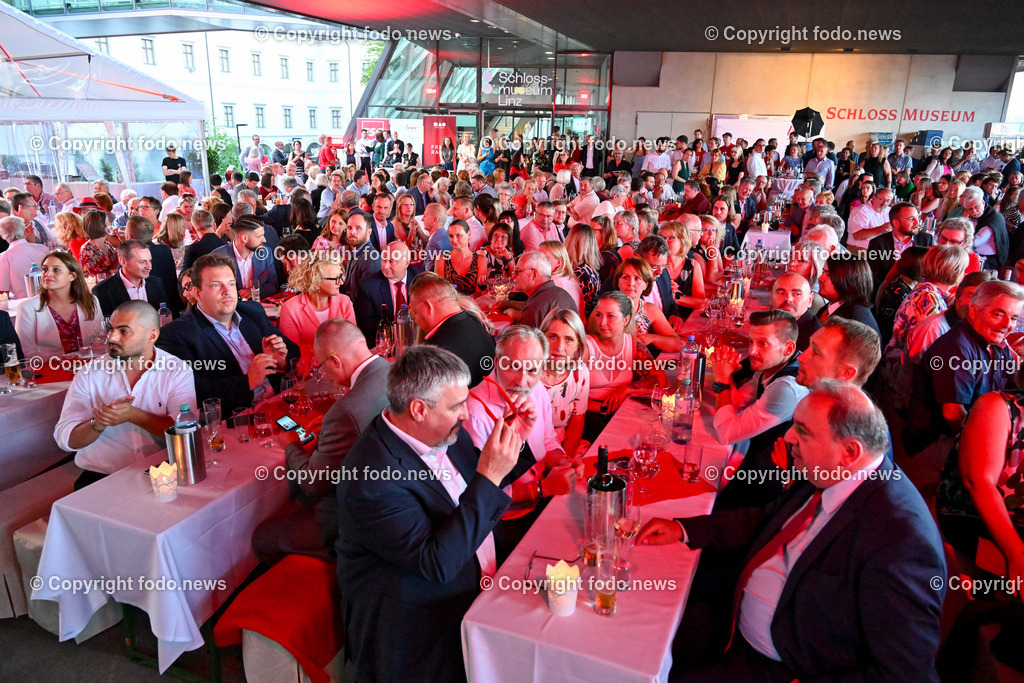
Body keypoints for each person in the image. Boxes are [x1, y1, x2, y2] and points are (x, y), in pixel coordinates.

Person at [640, 382, 945, 681]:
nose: (787, 437)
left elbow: (905, 673)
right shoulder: (828, 472)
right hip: (733, 626)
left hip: (780, 668)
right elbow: (764, 521)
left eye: (803, 431)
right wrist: (683, 529)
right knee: (644, 635)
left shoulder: (900, 541)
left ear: (849, 451)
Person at [336, 346, 530, 683]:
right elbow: (435, 563)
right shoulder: (370, 477)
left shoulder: (445, 430)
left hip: (477, 596)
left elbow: (469, 487)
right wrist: (490, 477)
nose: (466, 415)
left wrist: (513, 443)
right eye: (456, 406)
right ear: (418, 409)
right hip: (419, 631)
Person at [252, 319, 390, 565]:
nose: (326, 376)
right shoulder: (392, 370)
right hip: (392, 496)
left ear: (336, 361)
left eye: (325, 368)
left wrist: (292, 444)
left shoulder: (345, 413)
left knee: (262, 537)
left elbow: (313, 484)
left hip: (355, 524)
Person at [54, 301, 196, 490]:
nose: (112, 337)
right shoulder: (90, 373)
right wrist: (98, 424)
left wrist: (133, 415)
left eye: (124, 331)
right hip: (102, 476)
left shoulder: (176, 370)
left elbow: (185, 431)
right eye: (111, 329)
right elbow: (67, 439)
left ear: (152, 335)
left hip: (163, 470)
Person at [156, 253, 299, 413]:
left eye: (231, 284)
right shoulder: (176, 335)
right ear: (197, 293)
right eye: (216, 285)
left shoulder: (253, 311)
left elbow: (293, 351)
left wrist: (281, 362)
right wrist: (247, 382)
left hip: (281, 404)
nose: (227, 291)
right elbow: (194, 393)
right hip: (239, 420)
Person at [465, 326, 578, 524]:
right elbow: (478, 492)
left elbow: (548, 441)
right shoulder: (474, 413)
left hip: (542, 501)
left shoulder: (536, 389)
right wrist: (542, 488)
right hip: (502, 521)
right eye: (513, 367)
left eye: (532, 370)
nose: (522, 381)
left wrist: (561, 461)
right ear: (497, 362)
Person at [709, 310, 809, 510]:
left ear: (788, 347)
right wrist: (726, 374)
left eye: (763, 343)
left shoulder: (786, 388)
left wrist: (721, 380)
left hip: (769, 485)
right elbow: (739, 402)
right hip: (757, 458)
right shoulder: (774, 365)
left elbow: (726, 434)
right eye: (751, 342)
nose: (752, 351)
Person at [583, 292, 661, 438]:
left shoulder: (632, 344)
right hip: (590, 415)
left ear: (625, 320)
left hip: (622, 411)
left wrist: (626, 389)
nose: (602, 322)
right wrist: (603, 408)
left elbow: (660, 379)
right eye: (599, 315)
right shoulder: (586, 347)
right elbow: (568, 396)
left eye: (610, 316)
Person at [409, 272, 495, 388]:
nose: (417, 321)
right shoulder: (477, 319)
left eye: (416, 313)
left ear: (428, 307)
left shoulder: (433, 353)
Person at [16, 251, 103, 360]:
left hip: (90, 366)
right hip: (50, 369)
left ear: (72, 276)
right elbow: (27, 352)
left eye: (56, 270)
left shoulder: (91, 301)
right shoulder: (27, 308)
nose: (48, 274)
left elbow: (100, 338)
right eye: (44, 269)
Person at [278, 253, 355, 368]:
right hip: (308, 373)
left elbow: (352, 343)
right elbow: (292, 355)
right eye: (336, 278)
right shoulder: (290, 309)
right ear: (316, 281)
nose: (341, 282)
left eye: (341, 277)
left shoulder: (345, 302)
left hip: (342, 369)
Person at [539, 308, 590, 458]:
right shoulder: (529, 374)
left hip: (562, 442)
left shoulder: (580, 373)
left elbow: (577, 419)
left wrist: (565, 457)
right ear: (542, 339)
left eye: (569, 339)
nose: (559, 347)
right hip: (531, 446)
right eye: (553, 337)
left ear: (577, 348)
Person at [354, 242, 421, 345]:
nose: (386, 266)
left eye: (392, 261)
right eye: (384, 260)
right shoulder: (368, 285)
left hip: (418, 340)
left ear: (406, 263)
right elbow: (366, 325)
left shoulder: (421, 280)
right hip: (385, 343)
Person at [495, 251, 576, 328]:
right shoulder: (562, 293)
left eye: (518, 271)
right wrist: (509, 304)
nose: (513, 276)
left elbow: (523, 341)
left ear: (534, 274)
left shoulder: (535, 307)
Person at [92, 239, 167, 317]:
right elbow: (106, 326)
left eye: (149, 261)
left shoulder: (156, 283)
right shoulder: (102, 291)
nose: (149, 267)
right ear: (123, 262)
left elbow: (166, 317)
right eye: (142, 262)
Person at [211, 214, 279, 299]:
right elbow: (213, 291)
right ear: (244, 238)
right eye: (259, 236)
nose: (264, 240)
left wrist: (253, 292)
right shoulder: (217, 258)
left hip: (259, 307)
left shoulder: (265, 253)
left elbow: (273, 284)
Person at [817, 254, 879, 333]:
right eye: (823, 272)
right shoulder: (833, 306)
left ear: (848, 280)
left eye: (828, 274)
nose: (820, 278)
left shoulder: (855, 322)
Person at [0, 216, 51, 297]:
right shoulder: (43, 249)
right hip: (48, 297)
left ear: (2, 236)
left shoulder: (4, 257)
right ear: (24, 231)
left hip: (20, 302)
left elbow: (2, 290)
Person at [768, 272, 821, 351]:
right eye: (781, 293)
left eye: (797, 294)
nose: (788, 299)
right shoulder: (771, 321)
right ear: (771, 297)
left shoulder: (813, 339)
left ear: (810, 300)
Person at [436, 219, 487, 295]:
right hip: (448, 303)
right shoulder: (442, 258)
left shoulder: (480, 260)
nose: (454, 240)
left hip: (472, 304)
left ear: (469, 234)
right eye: (451, 236)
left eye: (458, 235)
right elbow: (440, 290)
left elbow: (478, 292)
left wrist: (465, 304)